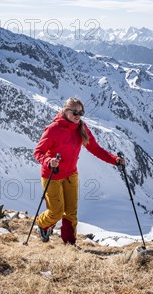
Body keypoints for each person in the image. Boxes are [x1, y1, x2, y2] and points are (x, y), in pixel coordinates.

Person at [33, 98, 126, 245]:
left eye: (81, 112)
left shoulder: (81, 128)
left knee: (71, 213)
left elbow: (95, 149)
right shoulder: (53, 129)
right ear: (65, 111)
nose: (78, 115)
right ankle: (42, 224)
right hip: (52, 175)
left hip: (71, 175)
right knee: (56, 212)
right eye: (75, 112)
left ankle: (69, 244)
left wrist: (114, 160)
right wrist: (49, 162)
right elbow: (38, 152)